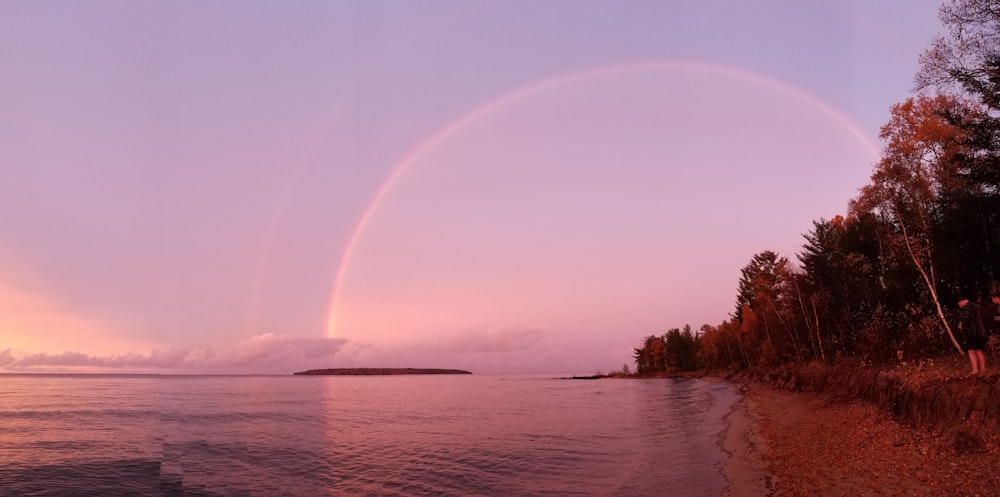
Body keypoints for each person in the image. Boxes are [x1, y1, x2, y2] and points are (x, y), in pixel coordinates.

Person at [957, 297, 987, 374]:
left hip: (972, 332)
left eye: (959, 305)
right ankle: (983, 369)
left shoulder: (967, 306)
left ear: (962, 301)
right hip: (980, 332)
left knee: (971, 351)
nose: (960, 306)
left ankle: (975, 370)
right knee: (979, 350)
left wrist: (961, 323)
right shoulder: (975, 306)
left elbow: (966, 317)